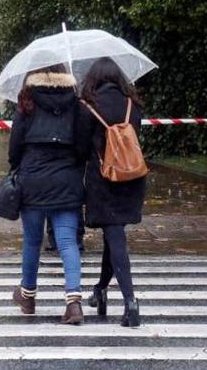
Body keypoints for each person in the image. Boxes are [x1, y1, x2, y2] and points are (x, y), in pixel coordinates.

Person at [8, 64, 85, 325]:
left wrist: (19, 163)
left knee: (32, 241)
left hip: (33, 180)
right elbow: (83, 145)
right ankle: (73, 303)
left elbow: (14, 147)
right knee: (67, 242)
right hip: (67, 180)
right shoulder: (76, 102)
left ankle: (28, 297)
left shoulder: (27, 100)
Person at [79, 57, 146, 327]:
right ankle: (100, 289)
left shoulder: (87, 108)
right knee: (113, 232)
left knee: (114, 235)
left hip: (104, 181)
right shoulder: (133, 106)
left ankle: (131, 301)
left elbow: (81, 149)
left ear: (93, 78)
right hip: (131, 177)